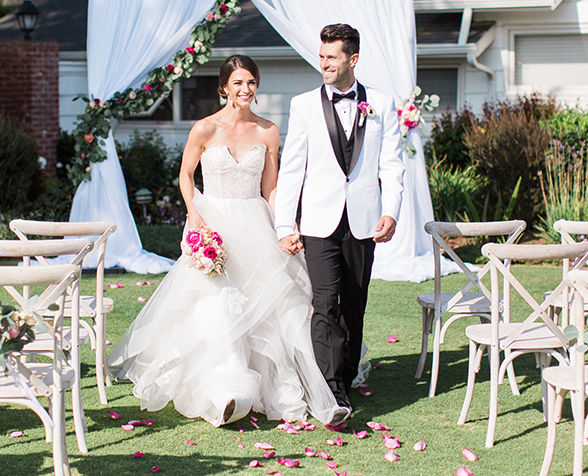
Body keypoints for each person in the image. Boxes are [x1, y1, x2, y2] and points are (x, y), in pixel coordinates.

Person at [109, 54, 344, 427]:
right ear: (224, 88)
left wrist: (285, 225)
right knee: (217, 304)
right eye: (237, 83)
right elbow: (186, 176)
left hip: (255, 221)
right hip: (213, 223)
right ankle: (225, 389)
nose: (245, 89)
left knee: (275, 303)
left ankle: (285, 386)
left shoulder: (268, 131)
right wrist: (195, 215)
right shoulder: (203, 129)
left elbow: (271, 186)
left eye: (251, 82)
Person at [274, 23, 405, 424]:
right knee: (324, 303)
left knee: (355, 306)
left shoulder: (382, 104)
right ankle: (331, 393)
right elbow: (292, 167)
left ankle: (345, 376)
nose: (324, 63)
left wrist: (392, 210)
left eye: (332, 57)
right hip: (317, 220)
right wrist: (285, 224)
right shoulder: (303, 105)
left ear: (353, 59)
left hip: (364, 220)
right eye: (322, 56)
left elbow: (393, 164)